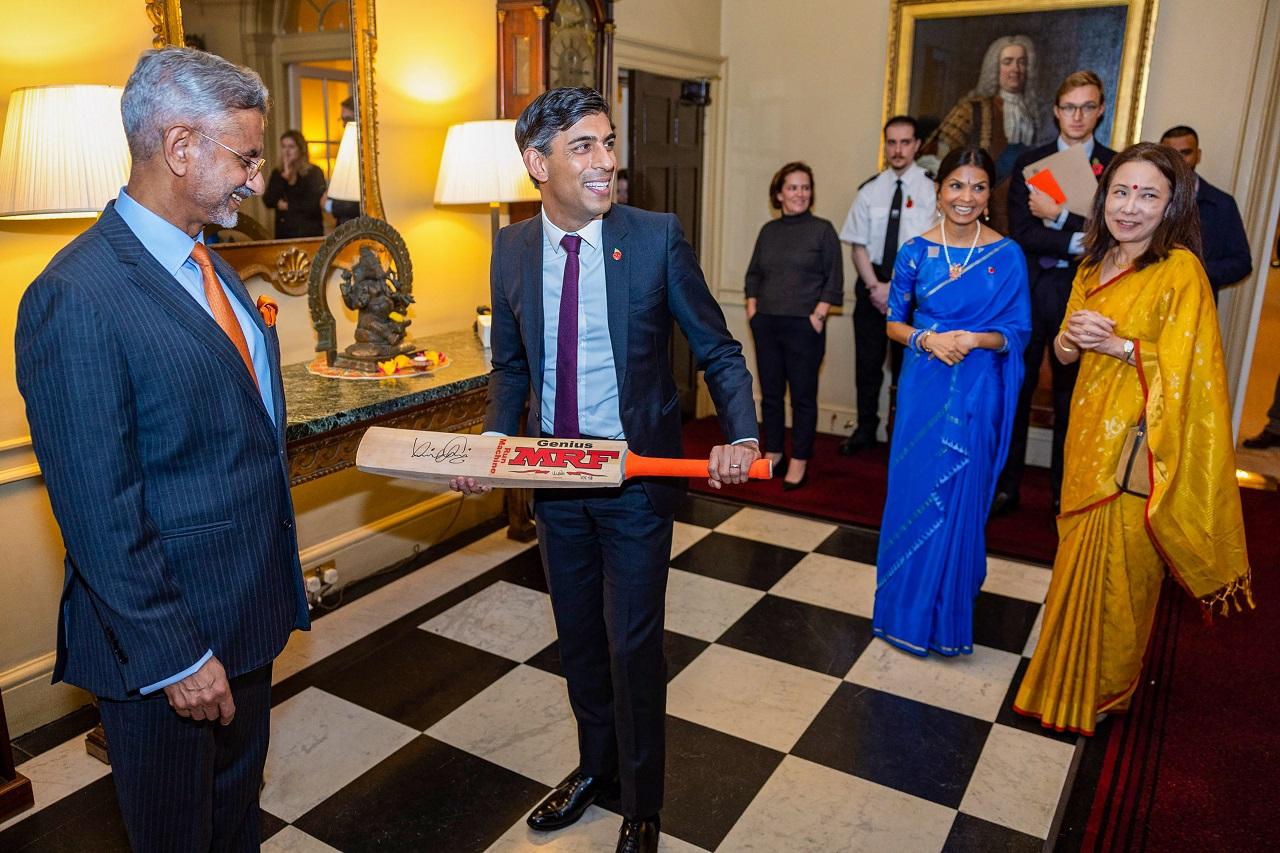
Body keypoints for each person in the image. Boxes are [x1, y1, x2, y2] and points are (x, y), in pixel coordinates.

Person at [14, 47, 309, 849]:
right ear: (180, 149)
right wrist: (178, 656)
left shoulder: (203, 260)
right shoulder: (75, 296)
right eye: (244, 157)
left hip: (244, 616)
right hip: (167, 647)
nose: (255, 178)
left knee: (234, 817)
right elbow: (98, 509)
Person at [450, 87, 759, 853]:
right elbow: (512, 368)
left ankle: (642, 803)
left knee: (631, 644)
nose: (607, 161)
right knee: (580, 639)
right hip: (555, 485)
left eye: (609, 143)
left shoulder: (653, 238)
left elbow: (717, 348)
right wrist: (495, 445)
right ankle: (595, 769)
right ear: (537, 162)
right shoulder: (511, 248)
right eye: (584, 146)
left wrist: (743, 436)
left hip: (634, 484)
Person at [1014, 142, 1251, 735]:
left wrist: (1117, 346)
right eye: (1121, 192)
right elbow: (1066, 354)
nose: (1130, 207)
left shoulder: (1181, 272)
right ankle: (1061, 671)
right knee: (1076, 560)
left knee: (1124, 578)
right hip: (1088, 438)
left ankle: (1106, 687)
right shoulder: (1093, 265)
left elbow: (1193, 372)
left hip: (1140, 451)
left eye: (1148, 195)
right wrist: (1073, 336)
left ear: (1172, 205)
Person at [873, 146, 1030, 656]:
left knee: (960, 493)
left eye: (978, 187)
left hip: (979, 386)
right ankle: (903, 614)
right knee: (914, 493)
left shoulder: (1006, 255)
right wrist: (925, 340)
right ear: (938, 192)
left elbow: (1018, 330)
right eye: (957, 186)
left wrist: (973, 339)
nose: (967, 197)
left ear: (989, 196)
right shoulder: (914, 252)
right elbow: (895, 321)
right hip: (925, 384)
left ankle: (945, 620)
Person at [994, 70, 1116, 516]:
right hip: (1029, 292)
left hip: (1082, 295)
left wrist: (1060, 216)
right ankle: (1006, 486)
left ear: (1100, 109)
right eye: (1069, 107)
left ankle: (1065, 493)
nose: (1078, 116)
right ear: (1055, 111)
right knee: (1017, 392)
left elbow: (1112, 235)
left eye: (1087, 106)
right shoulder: (1032, 161)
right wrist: (1076, 236)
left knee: (1071, 399)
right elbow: (1023, 232)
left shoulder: (1115, 166)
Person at [838, 115, 937, 455]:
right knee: (867, 365)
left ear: (917, 145)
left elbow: (931, 246)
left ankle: (903, 435)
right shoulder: (870, 189)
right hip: (871, 288)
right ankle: (866, 429)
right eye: (891, 142)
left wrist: (896, 289)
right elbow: (857, 245)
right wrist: (875, 288)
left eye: (905, 142)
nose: (898, 150)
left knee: (906, 368)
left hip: (913, 290)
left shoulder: (930, 188)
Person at [745, 162, 843, 488]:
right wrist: (752, 308)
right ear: (779, 193)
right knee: (771, 395)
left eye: (805, 187)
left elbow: (834, 279)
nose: (800, 194)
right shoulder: (768, 231)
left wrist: (818, 315)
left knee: (802, 397)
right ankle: (774, 452)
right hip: (767, 324)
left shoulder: (823, 230)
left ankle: (799, 459)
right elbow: (754, 273)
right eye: (792, 187)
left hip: (805, 326)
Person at [921, 35, 1039, 232]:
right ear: (995, 67)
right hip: (980, 213)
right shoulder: (972, 109)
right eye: (1007, 62)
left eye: (1021, 62)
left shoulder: (1033, 112)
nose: (1015, 69)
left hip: (1019, 216)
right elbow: (936, 150)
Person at [1159, 125, 1252, 300]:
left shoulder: (1221, 204)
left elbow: (1241, 262)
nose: (1179, 160)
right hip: (1144, 299)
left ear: (1198, 155)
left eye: (1185, 153)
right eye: (1171, 154)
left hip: (1197, 304)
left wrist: (1196, 271)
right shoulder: (1144, 198)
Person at [264, 128, 326, 238]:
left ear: (301, 149)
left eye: (291, 147)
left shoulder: (314, 172)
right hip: (284, 234)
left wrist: (287, 206)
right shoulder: (278, 173)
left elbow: (313, 205)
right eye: (283, 146)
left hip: (309, 233)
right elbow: (268, 200)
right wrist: (284, 179)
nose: (286, 151)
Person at [324, 96, 361, 227]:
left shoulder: (364, 152)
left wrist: (329, 205)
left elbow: (357, 203)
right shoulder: (348, 145)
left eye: (348, 119)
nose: (344, 125)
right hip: (344, 227)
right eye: (343, 119)